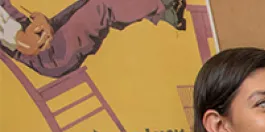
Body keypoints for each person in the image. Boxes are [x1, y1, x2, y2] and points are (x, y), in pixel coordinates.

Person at [1, 0, 187, 78]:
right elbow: (28, 44)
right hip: (49, 54)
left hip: (51, 24)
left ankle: (160, 10)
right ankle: (162, 4)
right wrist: (36, 24)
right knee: (101, 6)